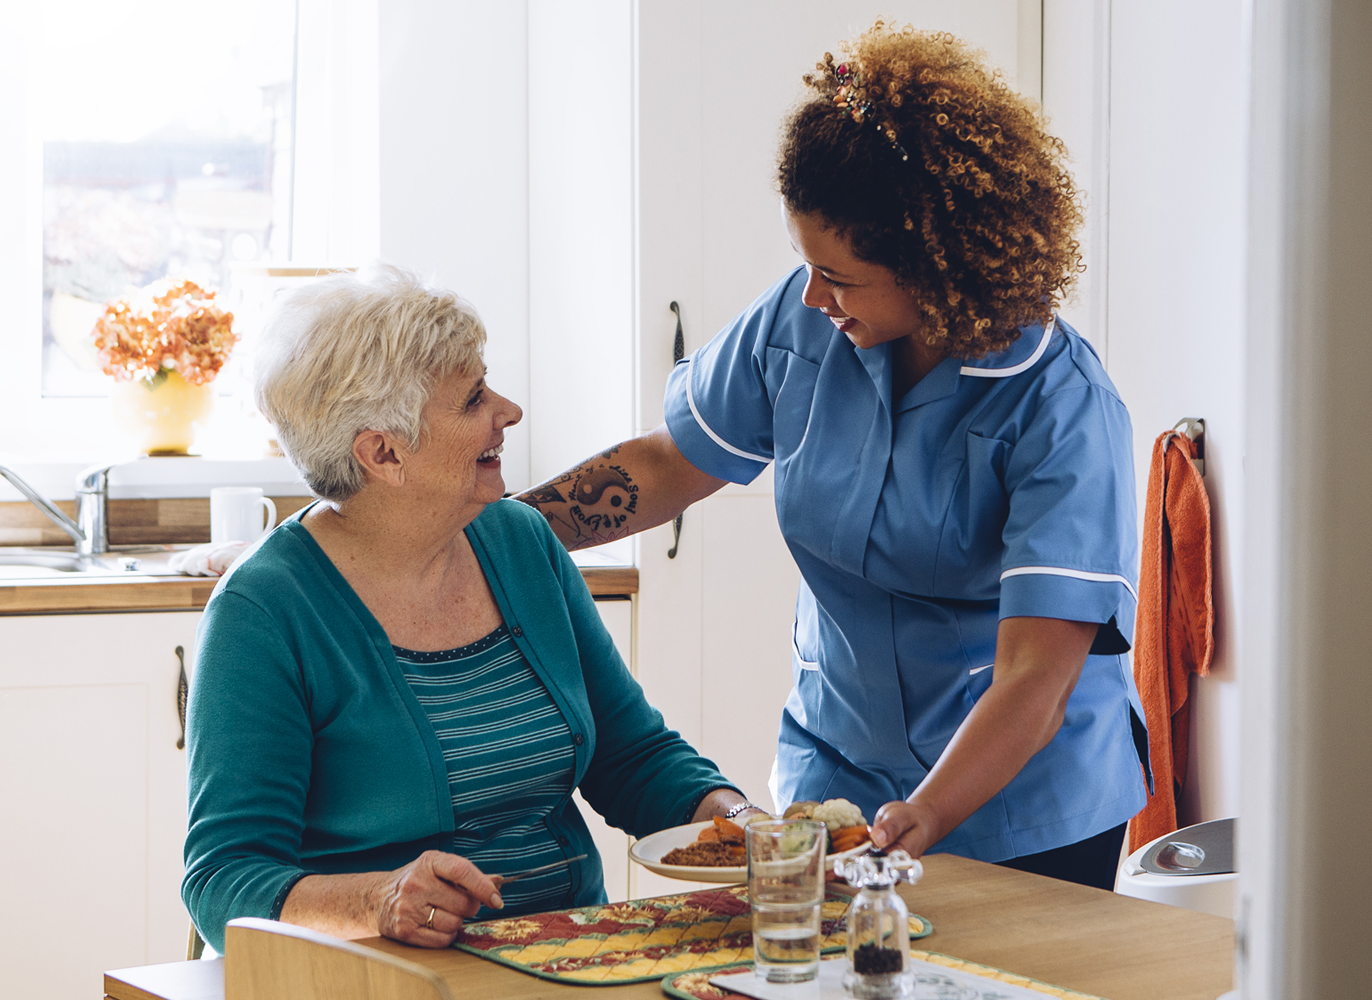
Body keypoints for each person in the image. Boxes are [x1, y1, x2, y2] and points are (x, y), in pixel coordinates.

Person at [517, 23, 1148, 890]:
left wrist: (928, 812)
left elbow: (1037, 674)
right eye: (804, 264)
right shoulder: (804, 318)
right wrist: (498, 531)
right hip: (838, 775)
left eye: (841, 277)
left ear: (936, 265)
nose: (814, 294)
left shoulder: (1060, 405)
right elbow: (667, 466)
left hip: (1020, 805)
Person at [182, 265, 753, 951]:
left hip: (567, 955)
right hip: (384, 979)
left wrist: (742, 821)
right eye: (474, 398)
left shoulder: (520, 542)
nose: (507, 412)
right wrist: (381, 899)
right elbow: (224, 878)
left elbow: (631, 756)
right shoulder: (265, 610)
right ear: (384, 452)